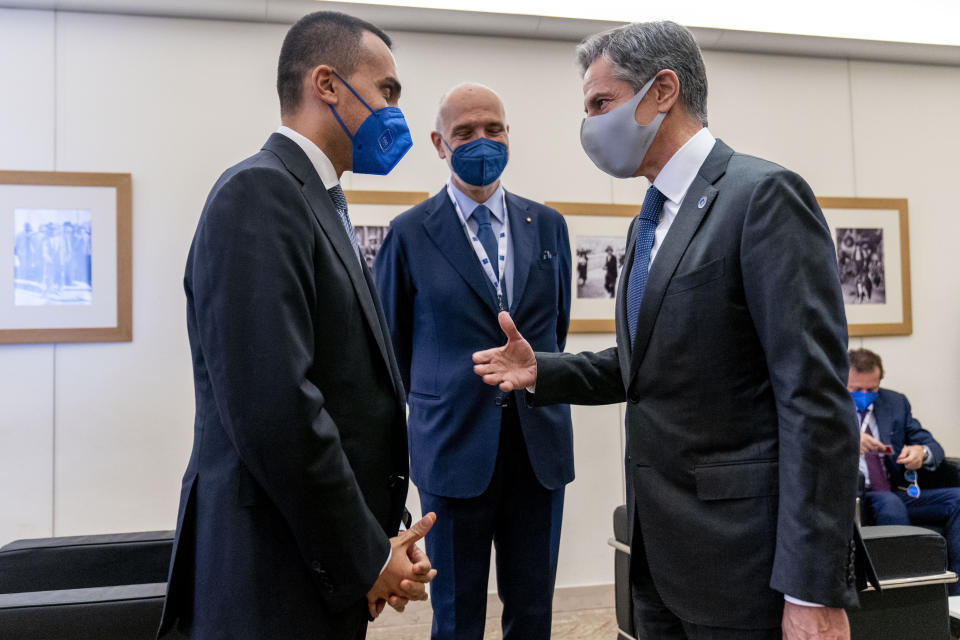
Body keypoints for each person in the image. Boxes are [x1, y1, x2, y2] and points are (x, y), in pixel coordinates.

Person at [473, 20, 860, 640]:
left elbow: (814, 402)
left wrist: (812, 587)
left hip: (745, 565)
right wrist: (543, 369)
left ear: (662, 92)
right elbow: (647, 365)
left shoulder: (762, 197)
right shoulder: (647, 223)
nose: (590, 125)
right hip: (658, 557)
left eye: (601, 103)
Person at [158, 12, 437, 640]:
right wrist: (367, 555)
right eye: (387, 90)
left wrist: (381, 535)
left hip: (312, 560)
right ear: (328, 84)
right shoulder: (260, 192)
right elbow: (278, 409)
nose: (396, 110)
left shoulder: (318, 201)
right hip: (271, 571)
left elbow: (345, 395)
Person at [373, 83, 573, 640]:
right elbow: (389, 352)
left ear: (509, 135)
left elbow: (554, 331)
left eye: (494, 129)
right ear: (440, 143)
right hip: (453, 447)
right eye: (465, 132)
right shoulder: (410, 234)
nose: (481, 141)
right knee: (457, 616)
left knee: (533, 611)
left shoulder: (549, 226)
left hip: (539, 449)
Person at [849, 348, 960, 594]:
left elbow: (932, 445)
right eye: (857, 390)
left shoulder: (895, 403)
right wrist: (847, 442)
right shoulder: (828, 405)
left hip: (894, 489)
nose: (865, 395)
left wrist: (922, 453)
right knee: (890, 503)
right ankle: (908, 594)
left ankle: (955, 592)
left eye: (872, 389)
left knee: (957, 499)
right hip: (852, 497)